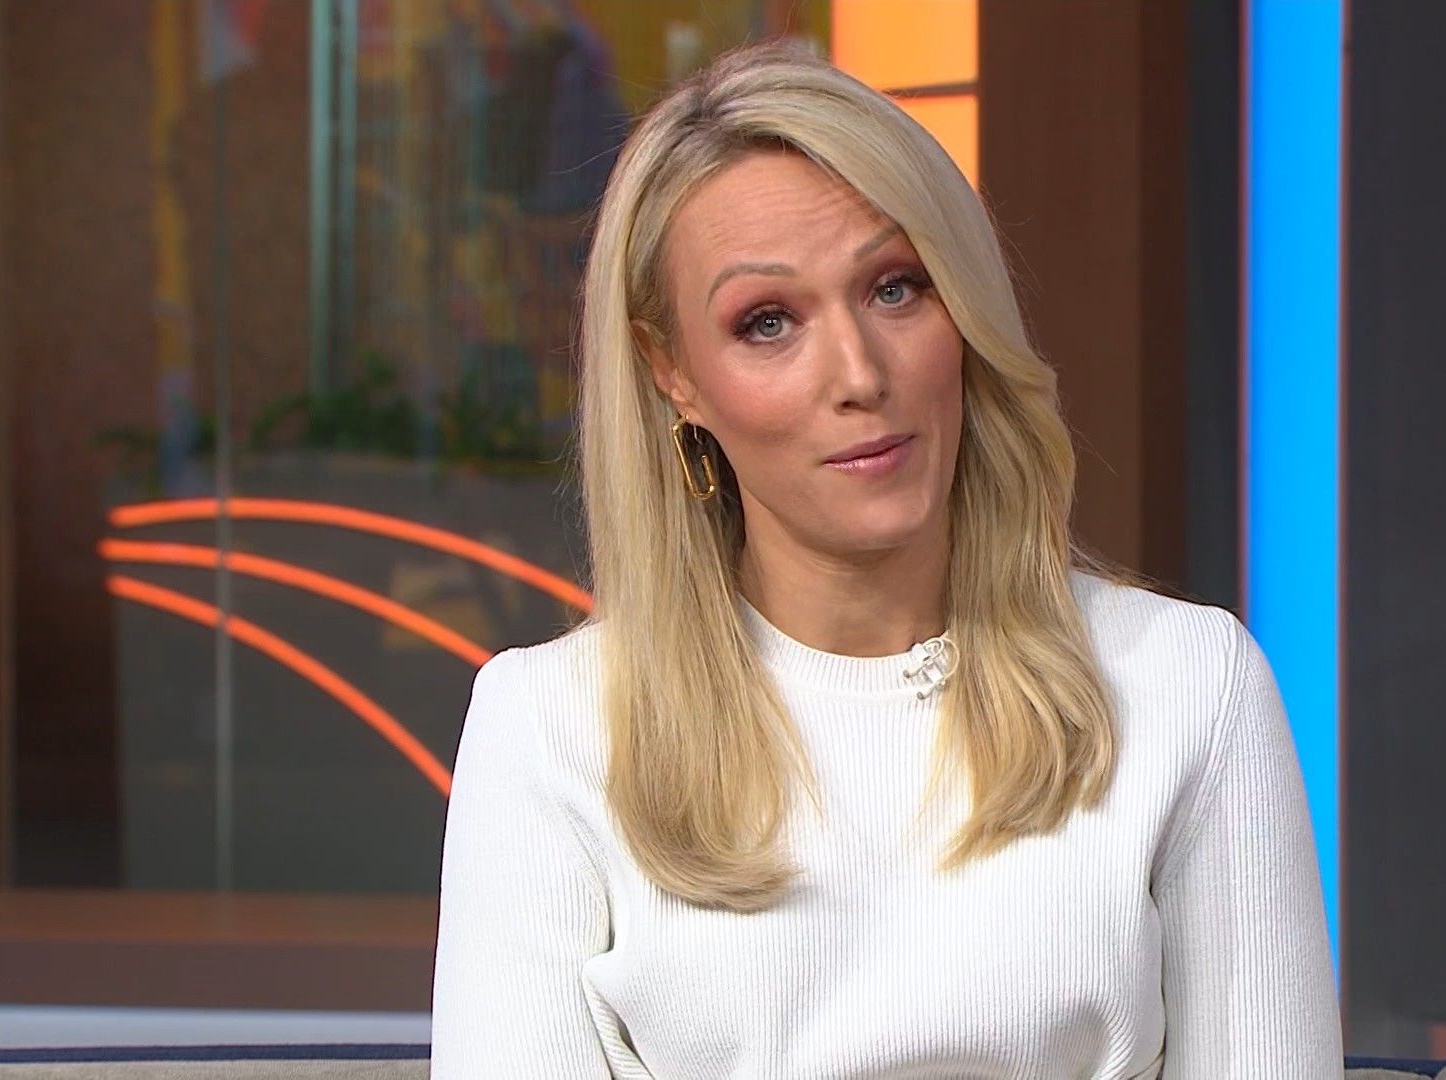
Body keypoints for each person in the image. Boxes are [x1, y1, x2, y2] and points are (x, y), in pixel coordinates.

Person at [430, 39, 1342, 1079]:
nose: (860, 374)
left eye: (895, 288)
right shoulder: (551, 729)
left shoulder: (1188, 688)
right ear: (673, 372)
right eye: (767, 322)